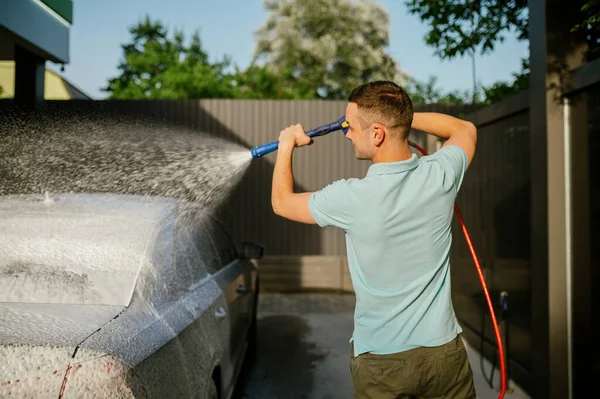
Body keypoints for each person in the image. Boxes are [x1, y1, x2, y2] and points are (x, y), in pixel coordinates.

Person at [271, 80, 477, 399]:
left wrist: (286, 144)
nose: (347, 133)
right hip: (444, 355)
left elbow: (281, 202)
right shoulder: (440, 175)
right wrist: (401, 119)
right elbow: (464, 129)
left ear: (377, 133)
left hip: (383, 362)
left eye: (352, 127)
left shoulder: (350, 198)